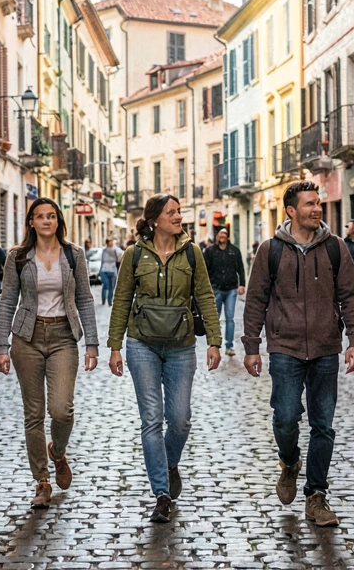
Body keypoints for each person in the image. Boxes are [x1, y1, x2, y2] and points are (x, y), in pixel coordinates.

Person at [242, 182, 354, 527]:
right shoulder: (270, 250)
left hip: (326, 348)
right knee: (284, 417)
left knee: (323, 425)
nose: (317, 209)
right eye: (310, 204)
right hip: (285, 347)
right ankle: (290, 460)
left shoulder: (335, 248)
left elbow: (352, 295)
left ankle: (316, 496)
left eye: (319, 203)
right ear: (291, 211)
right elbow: (255, 300)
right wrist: (251, 346)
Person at [108, 193, 221, 523]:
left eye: (179, 212)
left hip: (182, 346)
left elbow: (205, 297)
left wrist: (214, 341)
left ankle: (170, 462)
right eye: (172, 212)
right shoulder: (133, 255)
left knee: (181, 417)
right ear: (155, 219)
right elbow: (121, 301)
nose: (179, 217)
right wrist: (115, 346)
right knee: (152, 420)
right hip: (141, 344)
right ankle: (161, 493)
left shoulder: (192, 253)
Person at [0, 198, 100, 509]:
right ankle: (42, 480)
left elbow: (85, 298)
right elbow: (6, 300)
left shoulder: (73, 254)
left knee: (62, 410)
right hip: (27, 338)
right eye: (40, 216)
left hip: (63, 337)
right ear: (31, 222)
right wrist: (1, 346)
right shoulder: (18, 256)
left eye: (51, 216)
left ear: (58, 221)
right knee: (34, 414)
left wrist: (91, 343)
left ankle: (58, 452)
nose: (46, 221)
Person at [202, 227, 246, 357]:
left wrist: (242, 284)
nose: (222, 236)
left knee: (230, 318)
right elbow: (204, 270)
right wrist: (207, 285)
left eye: (225, 234)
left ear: (228, 237)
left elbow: (241, 268)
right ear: (217, 236)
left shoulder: (234, 251)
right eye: (221, 234)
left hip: (231, 289)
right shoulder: (210, 251)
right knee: (214, 319)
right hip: (216, 289)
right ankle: (214, 344)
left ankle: (229, 345)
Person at [99, 237, 122, 306]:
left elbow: (123, 254)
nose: (111, 243)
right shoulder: (104, 250)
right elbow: (102, 261)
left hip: (112, 270)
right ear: (107, 243)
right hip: (104, 270)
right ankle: (103, 300)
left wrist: (119, 260)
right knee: (105, 285)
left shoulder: (115, 249)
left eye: (111, 241)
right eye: (109, 241)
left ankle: (109, 301)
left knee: (111, 287)